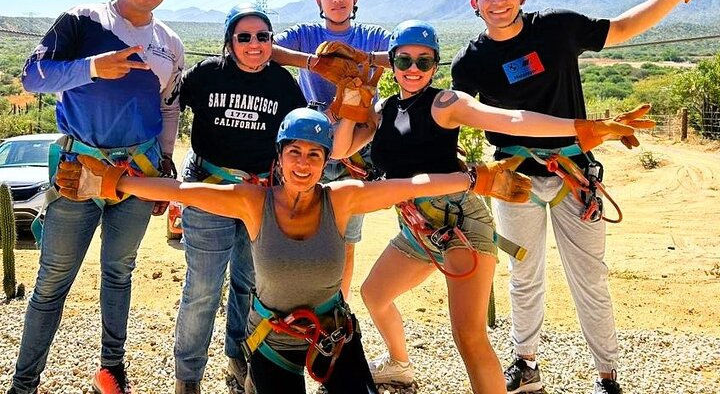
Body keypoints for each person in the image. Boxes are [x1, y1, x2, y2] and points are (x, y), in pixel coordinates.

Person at [53, 107, 534, 394]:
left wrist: (476, 179)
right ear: (279, 156)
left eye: (314, 155)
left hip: (334, 334)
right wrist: (119, 180)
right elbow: (181, 190)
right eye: (295, 152)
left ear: (326, 162)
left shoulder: (342, 198)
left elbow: (411, 184)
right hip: (274, 342)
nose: (303, 164)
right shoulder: (252, 202)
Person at [450, 0, 720, 394]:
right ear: (474, 2)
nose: (498, 1)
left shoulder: (556, 28)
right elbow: (453, 120)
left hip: (575, 176)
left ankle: (607, 375)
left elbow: (622, 28)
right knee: (523, 275)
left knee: (589, 278)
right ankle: (525, 362)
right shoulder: (470, 63)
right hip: (512, 181)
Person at [328, 20, 647, 394]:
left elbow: (514, 119)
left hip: (461, 228)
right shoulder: (384, 109)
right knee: (374, 295)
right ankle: (399, 365)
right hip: (417, 229)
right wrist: (351, 102)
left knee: (468, 335)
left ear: (435, 65)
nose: (413, 69)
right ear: (393, 64)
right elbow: (339, 150)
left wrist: (582, 128)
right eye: (404, 61)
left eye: (423, 61)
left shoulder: (446, 104)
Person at [6, 0, 184, 394]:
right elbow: (33, 76)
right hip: (77, 172)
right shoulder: (83, 20)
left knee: (119, 273)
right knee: (52, 282)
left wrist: (165, 166)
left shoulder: (169, 44)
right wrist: (91, 68)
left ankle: (112, 368)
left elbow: (169, 110)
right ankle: (24, 384)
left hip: (138, 174)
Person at [171, 4, 306, 394]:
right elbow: (167, 103)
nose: (254, 43)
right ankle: (188, 377)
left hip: (260, 196)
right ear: (229, 42)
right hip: (210, 191)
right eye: (244, 36)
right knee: (203, 288)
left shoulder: (282, 83)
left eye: (262, 37)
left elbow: (297, 135)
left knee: (249, 284)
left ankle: (239, 355)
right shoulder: (205, 76)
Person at [272, 0, 391, 300]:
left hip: (355, 147)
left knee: (344, 240)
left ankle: (337, 306)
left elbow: (403, 53)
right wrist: (314, 61)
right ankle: (292, 301)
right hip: (311, 144)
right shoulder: (307, 34)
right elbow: (270, 49)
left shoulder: (371, 36)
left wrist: (363, 60)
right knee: (294, 229)